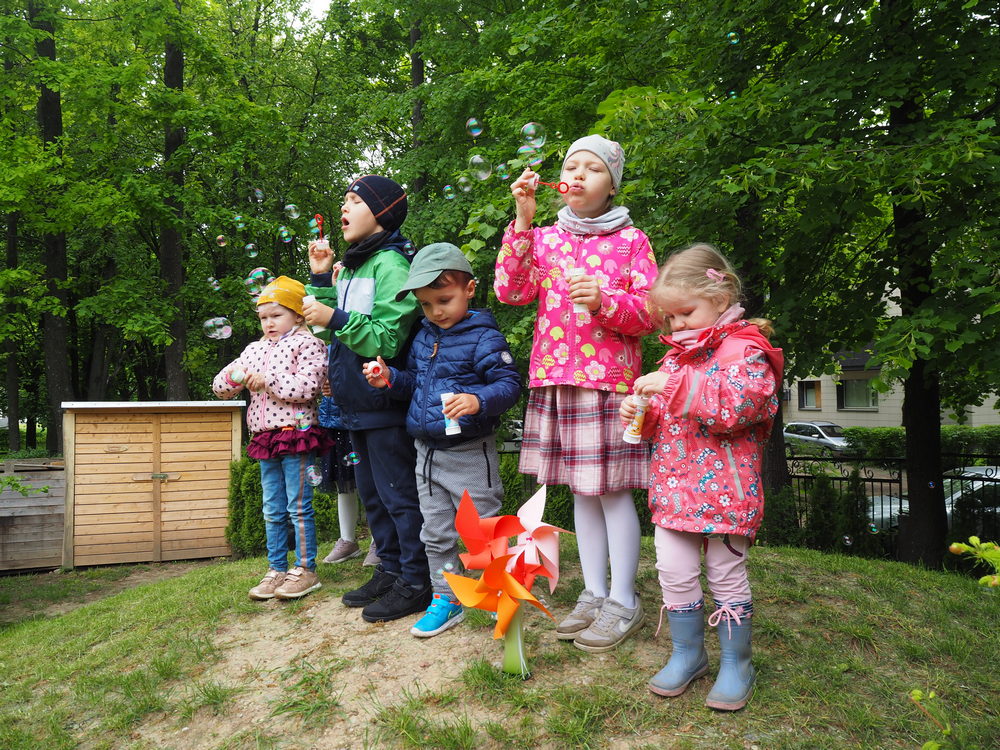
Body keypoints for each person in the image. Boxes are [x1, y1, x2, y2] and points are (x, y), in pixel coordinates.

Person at [495, 135, 658, 652]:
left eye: (594, 168)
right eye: (571, 166)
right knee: (582, 493)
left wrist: (606, 301)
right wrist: (522, 221)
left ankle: (624, 600)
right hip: (557, 380)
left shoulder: (631, 242)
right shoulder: (543, 239)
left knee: (612, 492)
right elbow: (510, 291)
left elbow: (652, 313)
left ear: (613, 186)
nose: (579, 174)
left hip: (608, 384)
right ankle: (594, 593)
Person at [620, 243, 783, 711]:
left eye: (685, 312)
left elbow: (738, 406)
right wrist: (643, 414)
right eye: (670, 317)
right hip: (675, 489)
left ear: (720, 295)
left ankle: (736, 663)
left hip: (727, 491)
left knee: (726, 575)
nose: (676, 325)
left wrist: (672, 387)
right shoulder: (676, 357)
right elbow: (669, 420)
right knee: (673, 571)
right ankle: (688, 653)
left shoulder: (745, 349)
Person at [365, 242, 522, 638]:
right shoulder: (423, 336)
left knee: (483, 529)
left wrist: (478, 400)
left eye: (444, 300)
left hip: (470, 452)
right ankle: (446, 597)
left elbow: (509, 384)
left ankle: (495, 589)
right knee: (435, 533)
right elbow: (416, 385)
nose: (435, 311)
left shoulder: (484, 338)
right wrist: (390, 379)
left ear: (469, 289)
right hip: (427, 454)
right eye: (425, 304)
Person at [302, 174, 430, 623]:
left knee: (398, 496)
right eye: (344, 199)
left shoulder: (390, 264)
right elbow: (328, 330)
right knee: (374, 497)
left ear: (381, 212)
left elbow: (386, 339)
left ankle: (416, 579)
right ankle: (390, 569)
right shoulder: (356, 265)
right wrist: (322, 278)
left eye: (354, 200)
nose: (344, 207)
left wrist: (334, 316)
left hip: (384, 402)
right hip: (356, 404)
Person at [213, 276, 332, 601]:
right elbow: (219, 387)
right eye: (263, 317)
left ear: (297, 315)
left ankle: (305, 569)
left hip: (296, 435)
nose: (269, 323)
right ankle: (276, 569)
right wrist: (236, 377)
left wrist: (268, 380)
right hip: (265, 438)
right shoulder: (253, 350)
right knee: (272, 509)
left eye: (276, 315)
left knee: (298, 506)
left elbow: (308, 387)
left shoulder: (309, 344)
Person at [317, 382, 379, 566]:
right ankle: (347, 540)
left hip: (362, 417)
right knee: (343, 483)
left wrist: (341, 387)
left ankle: (379, 540)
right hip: (334, 420)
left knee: (372, 483)